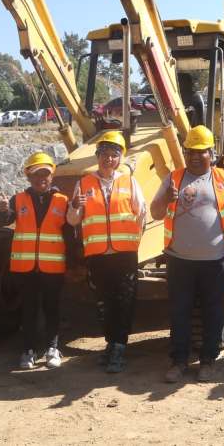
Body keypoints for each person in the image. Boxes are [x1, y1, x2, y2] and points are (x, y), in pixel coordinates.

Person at [150, 125, 224, 382]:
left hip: (216, 262)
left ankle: (208, 361)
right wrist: (165, 200)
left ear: (211, 153)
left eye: (200, 152)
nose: (194, 156)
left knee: (213, 311)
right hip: (179, 261)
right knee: (179, 311)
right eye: (189, 151)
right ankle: (179, 362)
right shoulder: (173, 179)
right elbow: (155, 213)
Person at [66, 130, 146, 373]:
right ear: (97, 156)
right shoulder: (84, 183)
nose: (108, 159)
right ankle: (111, 343)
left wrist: (134, 242)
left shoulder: (130, 181)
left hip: (123, 255)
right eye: (104, 154)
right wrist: (75, 208)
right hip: (98, 255)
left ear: (120, 158)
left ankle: (119, 347)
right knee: (104, 302)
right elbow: (72, 221)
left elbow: (141, 213)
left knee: (123, 302)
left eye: (113, 155)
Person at [0, 151, 70, 370]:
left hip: (52, 266)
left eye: (46, 174)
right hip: (26, 268)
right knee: (28, 309)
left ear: (52, 176)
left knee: (52, 309)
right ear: (29, 177)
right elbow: (4, 221)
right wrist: (2, 211)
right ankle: (28, 350)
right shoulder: (18, 199)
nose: (41, 178)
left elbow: (70, 231)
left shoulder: (62, 201)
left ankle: (52, 348)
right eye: (37, 174)